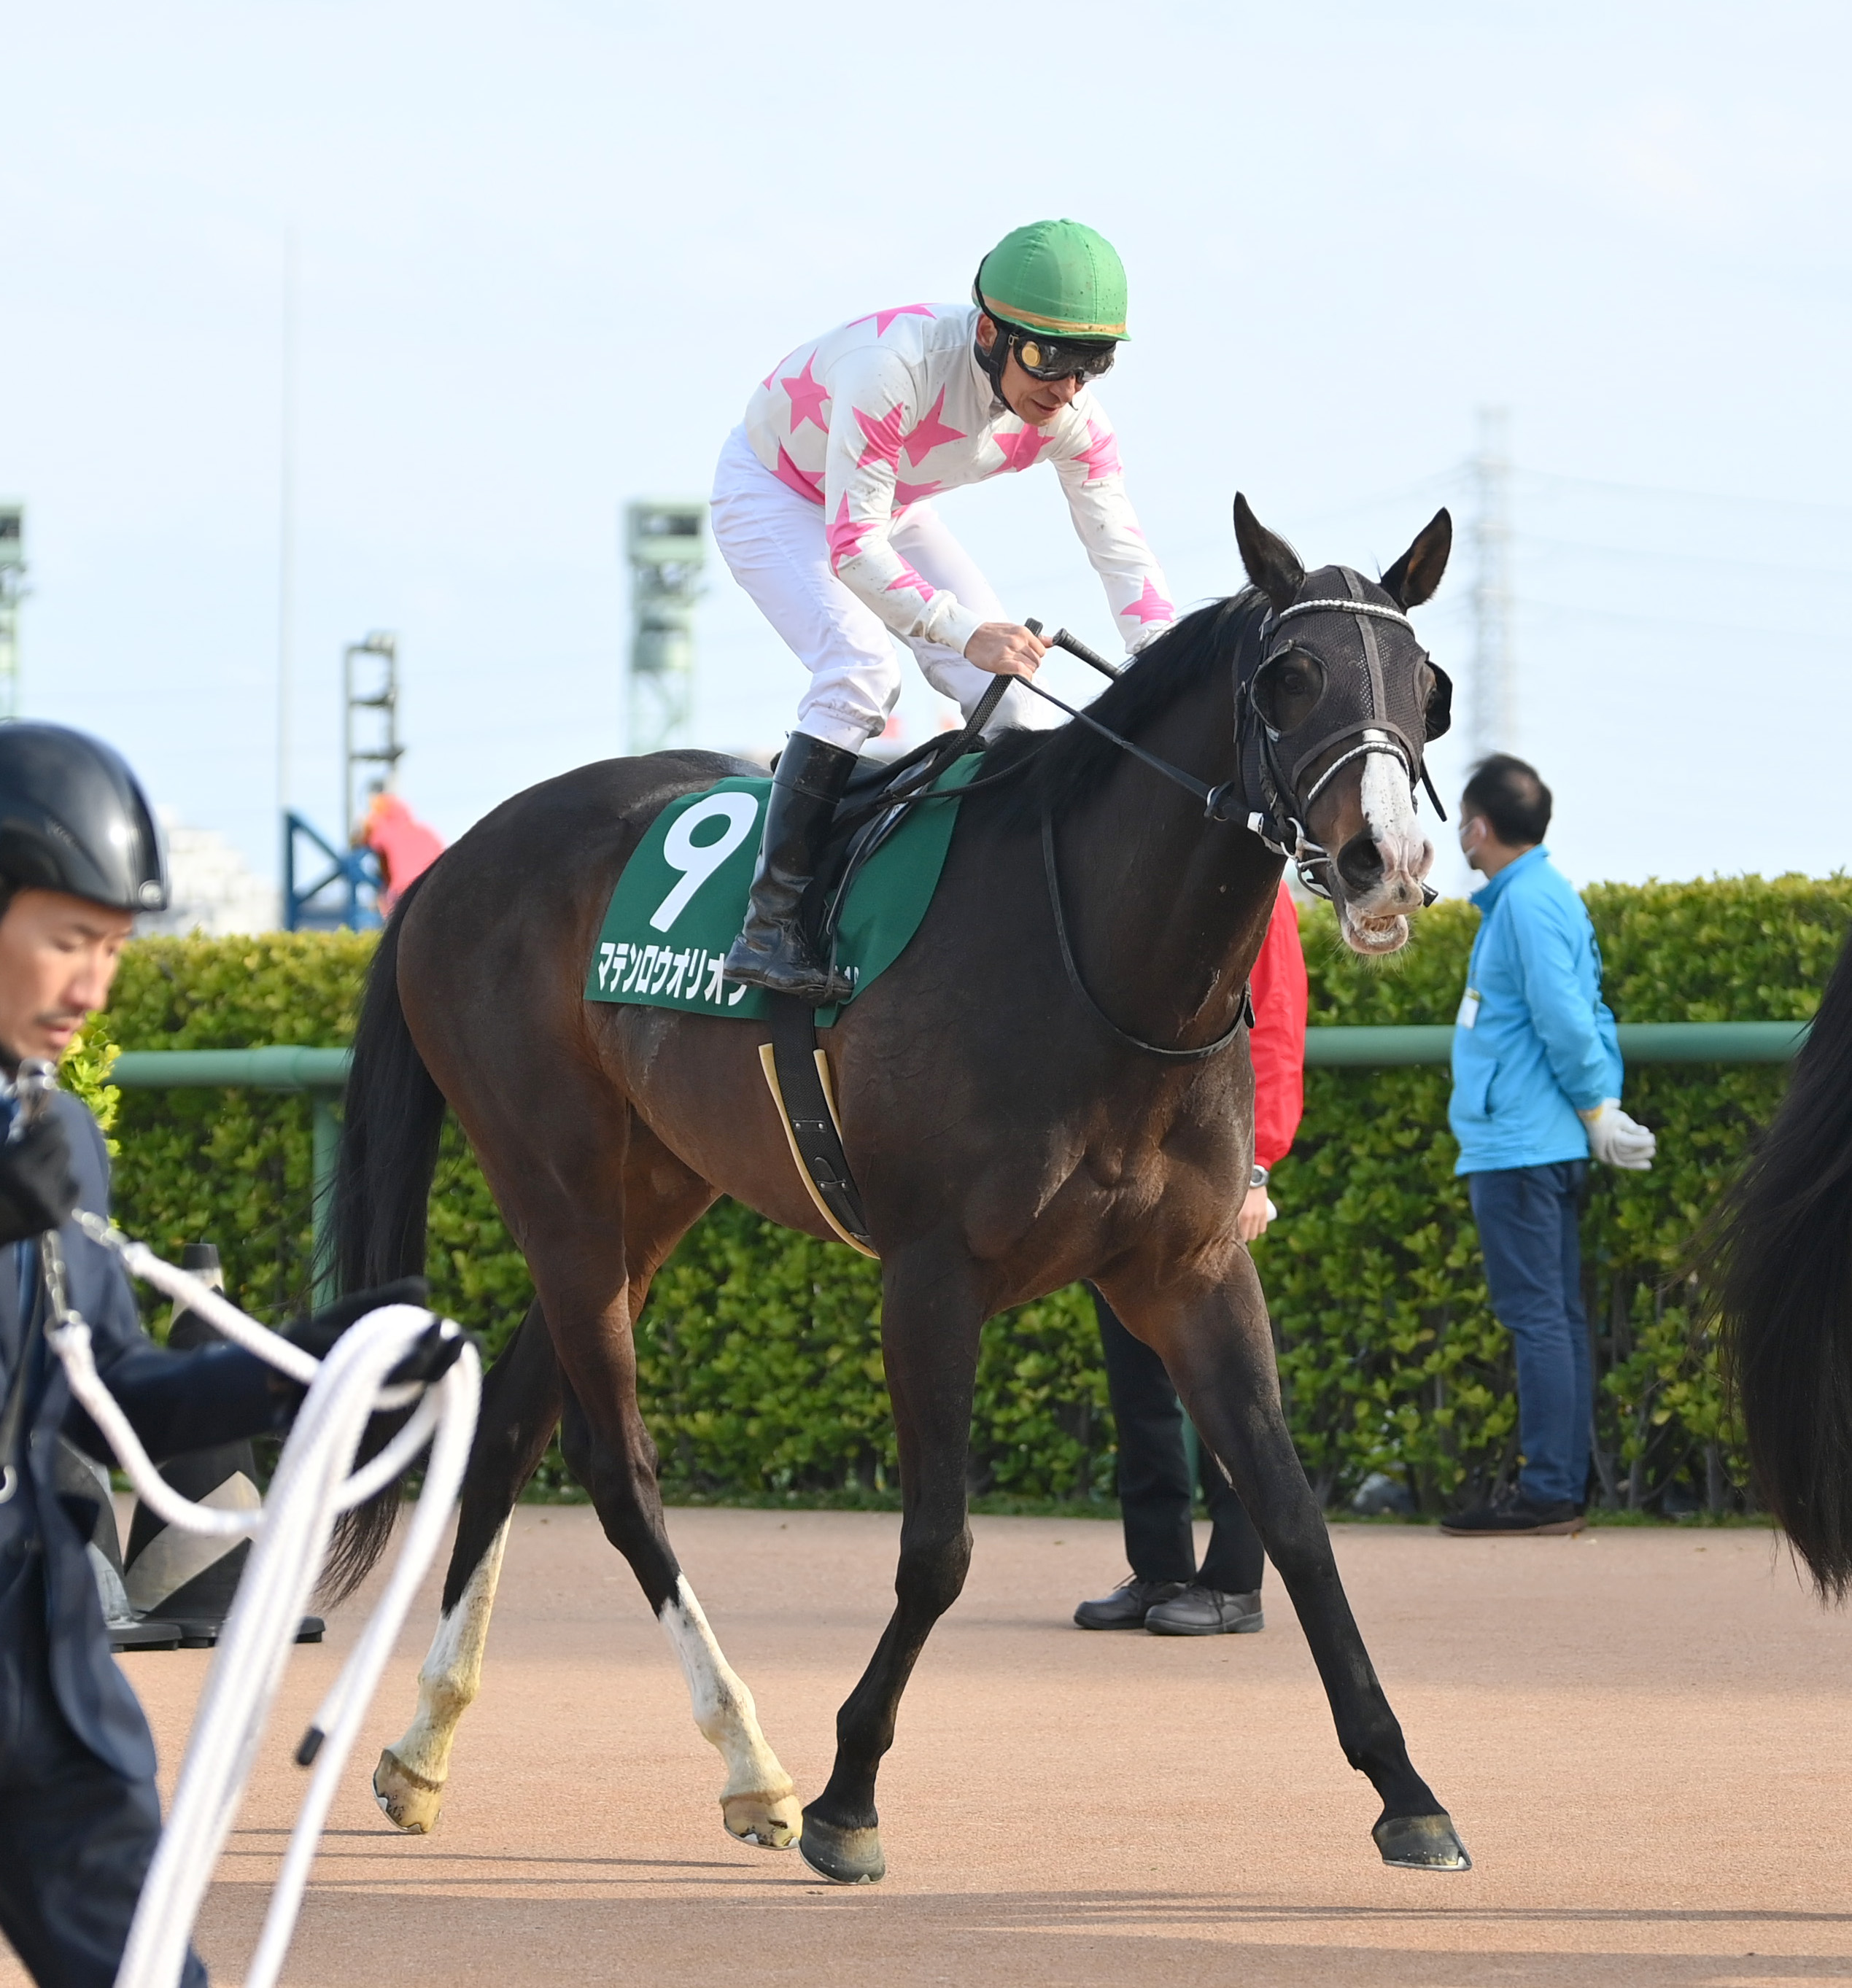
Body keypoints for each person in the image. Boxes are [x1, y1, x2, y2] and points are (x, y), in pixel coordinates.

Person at [0, 723, 425, 1988]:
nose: (94, 985)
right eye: (70, 939)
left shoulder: (54, 1129)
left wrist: (320, 1364)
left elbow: (107, 1393)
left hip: (39, 1678)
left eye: (117, 950)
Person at [713, 217, 1177, 1003]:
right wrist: (965, 631)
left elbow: (1122, 555)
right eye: (1048, 359)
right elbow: (856, 552)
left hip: (889, 500)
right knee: (860, 671)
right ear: (990, 333)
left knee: (1019, 709)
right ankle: (769, 924)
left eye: (1088, 367)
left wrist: (1170, 665)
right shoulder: (892, 370)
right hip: (775, 492)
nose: (1063, 389)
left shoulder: (1072, 422)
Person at [1074, 880, 1308, 1634]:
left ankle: (1236, 1582)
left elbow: (1275, 1025)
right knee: (1136, 1386)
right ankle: (1159, 1566)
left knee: (1224, 1381)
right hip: (1124, 1175)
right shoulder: (1132, 876)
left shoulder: (1259, 895)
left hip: (1207, 1173)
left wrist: (1258, 1164)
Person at [1441, 754, 1655, 1538]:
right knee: (1553, 1318)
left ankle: (1549, 1492)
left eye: (1462, 819)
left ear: (1480, 825)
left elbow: (1564, 1017)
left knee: (1538, 1319)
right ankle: (1555, 1487)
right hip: (1537, 1140)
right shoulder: (1536, 896)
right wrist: (1594, 1107)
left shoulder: (1524, 905)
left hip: (1520, 1147)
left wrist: (1598, 1106)